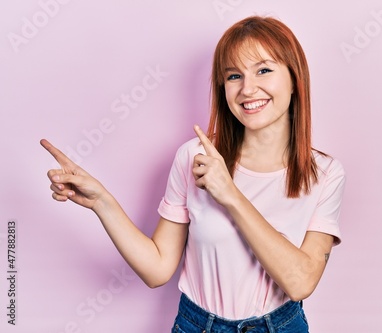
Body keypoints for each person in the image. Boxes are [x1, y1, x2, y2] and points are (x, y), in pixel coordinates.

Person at [41, 15, 345, 333]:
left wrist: (230, 195)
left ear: (295, 79)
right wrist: (101, 201)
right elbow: (158, 268)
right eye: (233, 76)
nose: (247, 88)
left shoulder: (325, 174)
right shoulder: (194, 157)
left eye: (264, 70)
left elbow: (300, 282)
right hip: (198, 325)